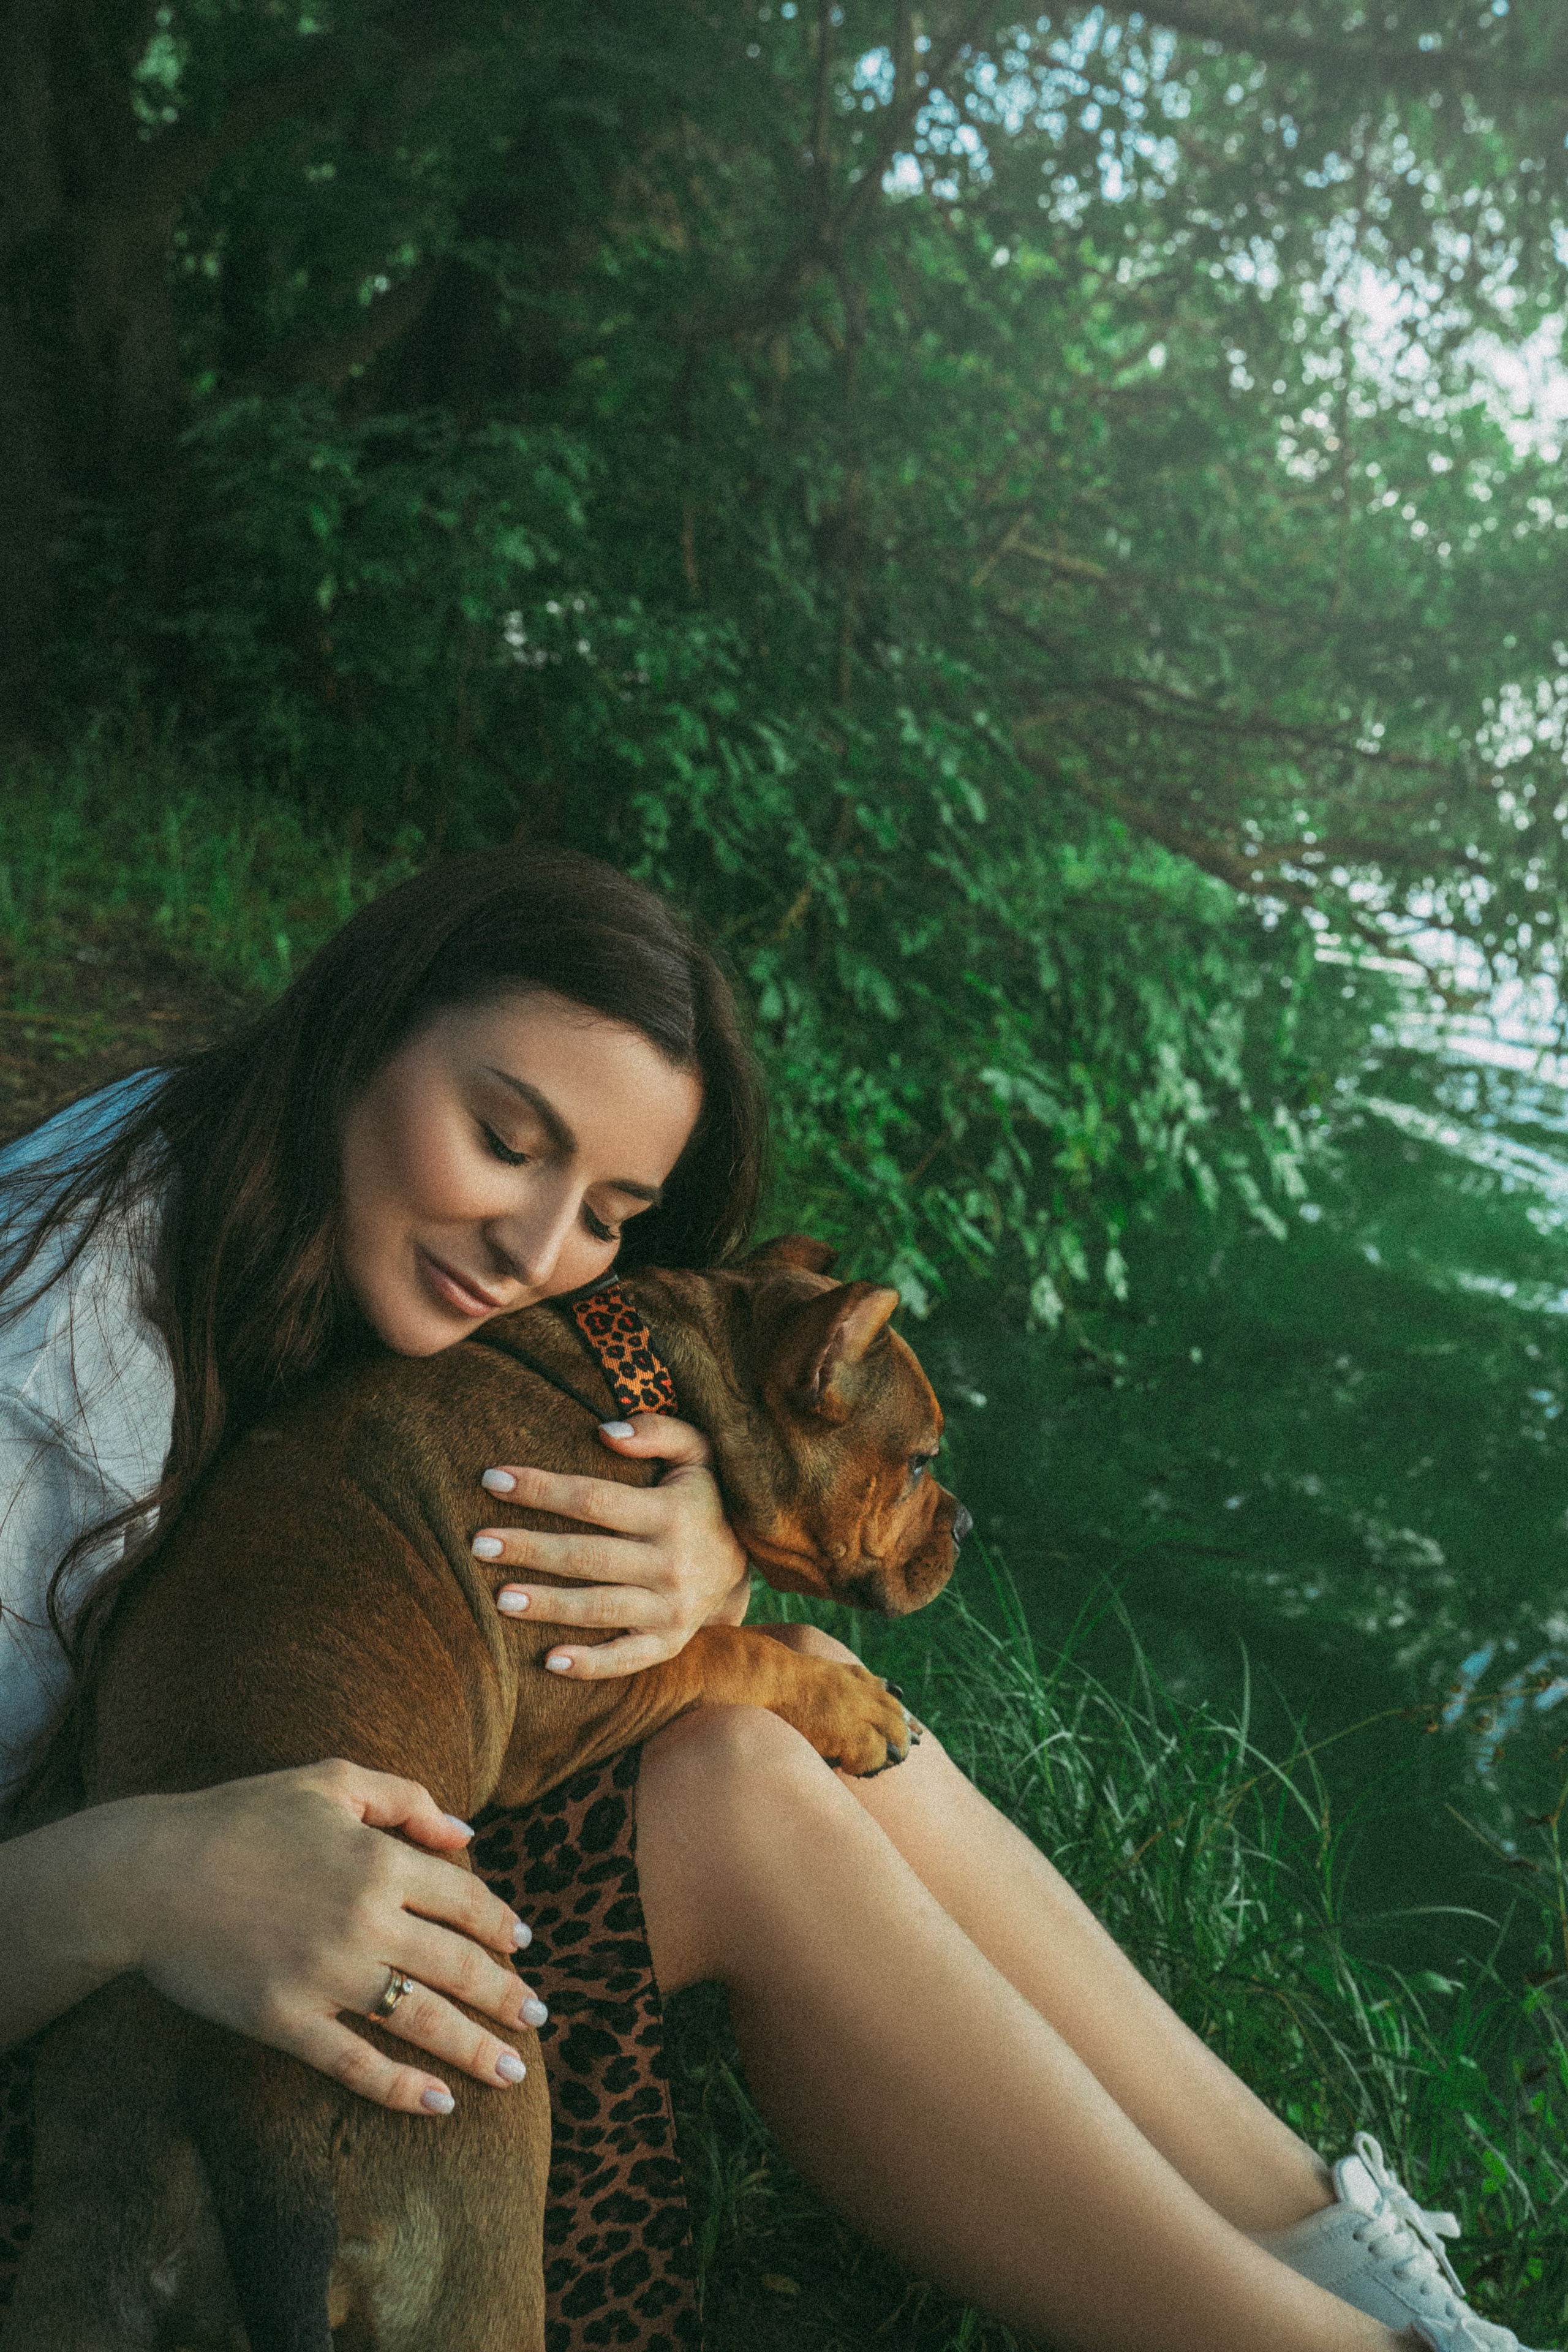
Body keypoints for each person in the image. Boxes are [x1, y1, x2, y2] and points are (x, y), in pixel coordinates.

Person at [0, 846, 1531, 2352]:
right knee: (742, 1774)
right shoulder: (58, 1387)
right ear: (359, 1030)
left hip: (278, 1820)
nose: (538, 1255)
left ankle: (1352, 2264)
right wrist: (154, 1875)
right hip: (107, 1971)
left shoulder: (300, 1196)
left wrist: (706, 1546)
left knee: (773, 1712)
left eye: (607, 1211)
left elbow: (588, 1418)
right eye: (502, 1136)